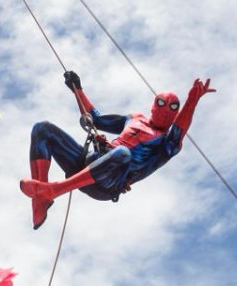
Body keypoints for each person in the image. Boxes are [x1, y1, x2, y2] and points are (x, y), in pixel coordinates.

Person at [20, 70, 215, 229]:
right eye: (162, 104)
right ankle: (40, 200)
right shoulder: (134, 119)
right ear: (153, 105)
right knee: (42, 129)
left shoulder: (167, 143)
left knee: (123, 154)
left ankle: (55, 190)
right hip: (88, 163)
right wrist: (77, 89)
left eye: (173, 108)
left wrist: (192, 100)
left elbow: (179, 130)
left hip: (108, 181)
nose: (165, 110)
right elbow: (98, 120)